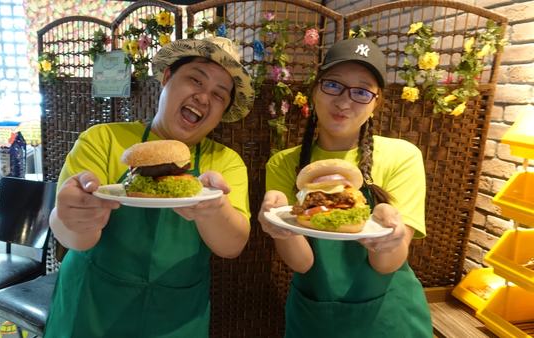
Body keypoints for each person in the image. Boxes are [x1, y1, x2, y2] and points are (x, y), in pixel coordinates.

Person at [44, 36, 254, 337]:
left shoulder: (225, 162)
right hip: (92, 307)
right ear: (167, 78)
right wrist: (70, 217)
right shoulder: (103, 140)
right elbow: (72, 234)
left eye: (219, 95)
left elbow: (232, 246)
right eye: (195, 80)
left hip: (175, 315)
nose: (203, 98)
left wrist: (214, 209)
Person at [258, 38, 432, 337]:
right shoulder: (282, 164)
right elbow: (302, 263)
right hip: (315, 315)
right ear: (315, 90)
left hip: (390, 317)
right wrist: (280, 227)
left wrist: (389, 238)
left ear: (376, 103)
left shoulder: (402, 156)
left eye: (362, 92)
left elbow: (388, 263)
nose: (343, 102)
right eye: (333, 85)